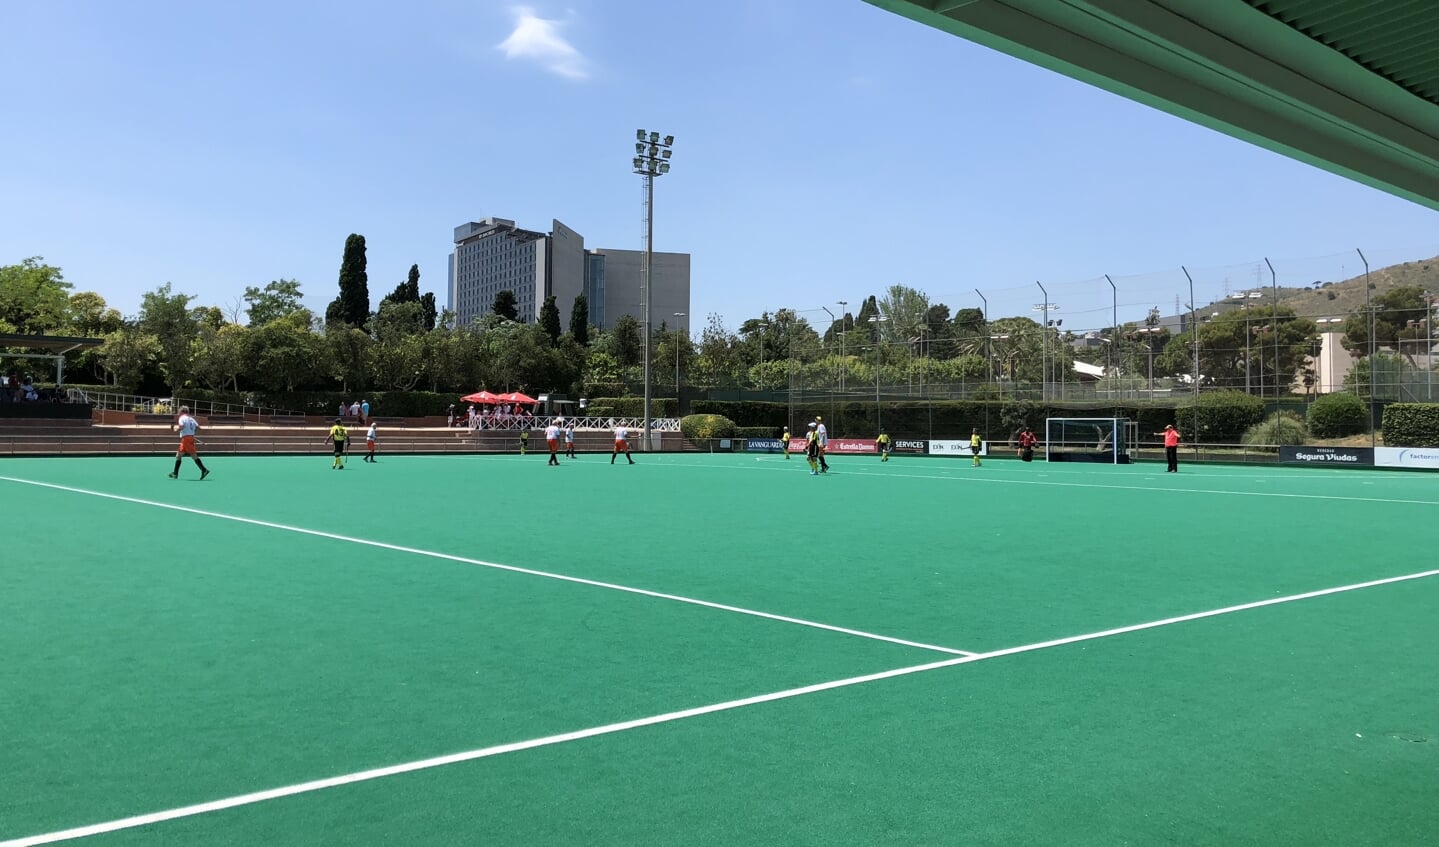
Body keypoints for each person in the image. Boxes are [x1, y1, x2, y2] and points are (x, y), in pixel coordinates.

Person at [168, 405, 210, 480]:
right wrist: (191, 432)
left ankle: (204, 470)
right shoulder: (191, 419)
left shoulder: (182, 418)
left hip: (186, 439)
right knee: (178, 455)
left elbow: (181, 427)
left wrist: (175, 429)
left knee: (194, 456)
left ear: (182, 411)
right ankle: (175, 473)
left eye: (179, 411)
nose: (179, 413)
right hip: (189, 438)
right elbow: (199, 428)